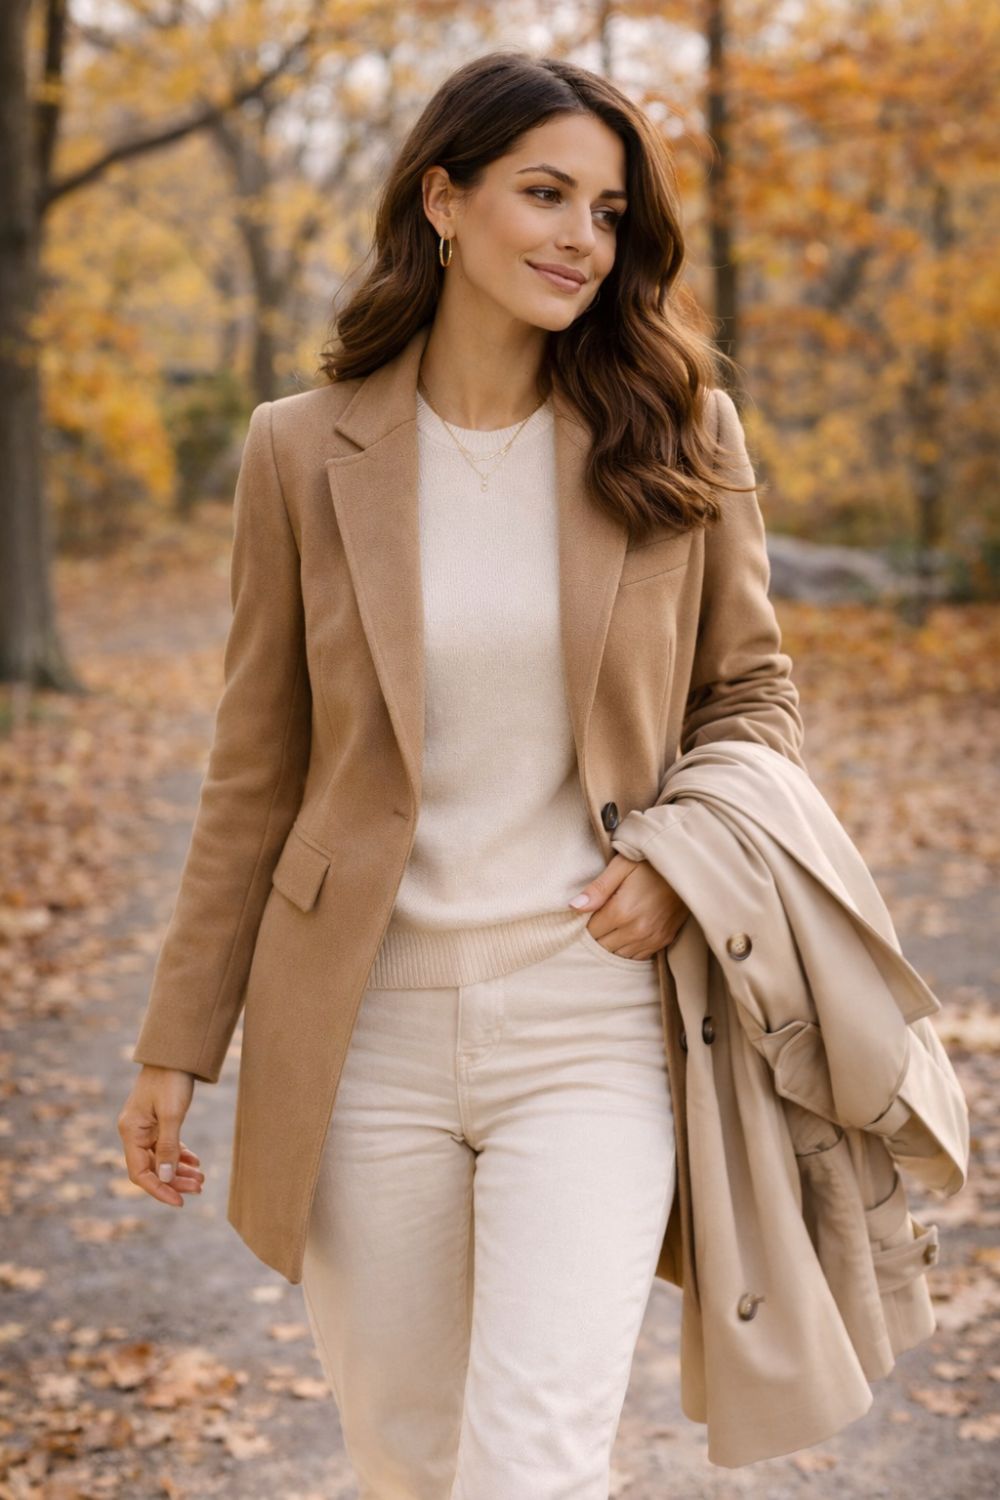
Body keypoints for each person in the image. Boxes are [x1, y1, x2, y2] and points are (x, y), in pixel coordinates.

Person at [119, 48, 804, 1498]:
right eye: (545, 194)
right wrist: (179, 1042)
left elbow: (751, 697)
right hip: (364, 1030)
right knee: (408, 1458)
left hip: (592, 1023)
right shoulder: (300, 453)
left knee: (532, 1462)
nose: (580, 239)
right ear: (444, 198)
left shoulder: (676, 431)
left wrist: (681, 863)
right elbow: (256, 767)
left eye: (609, 212)